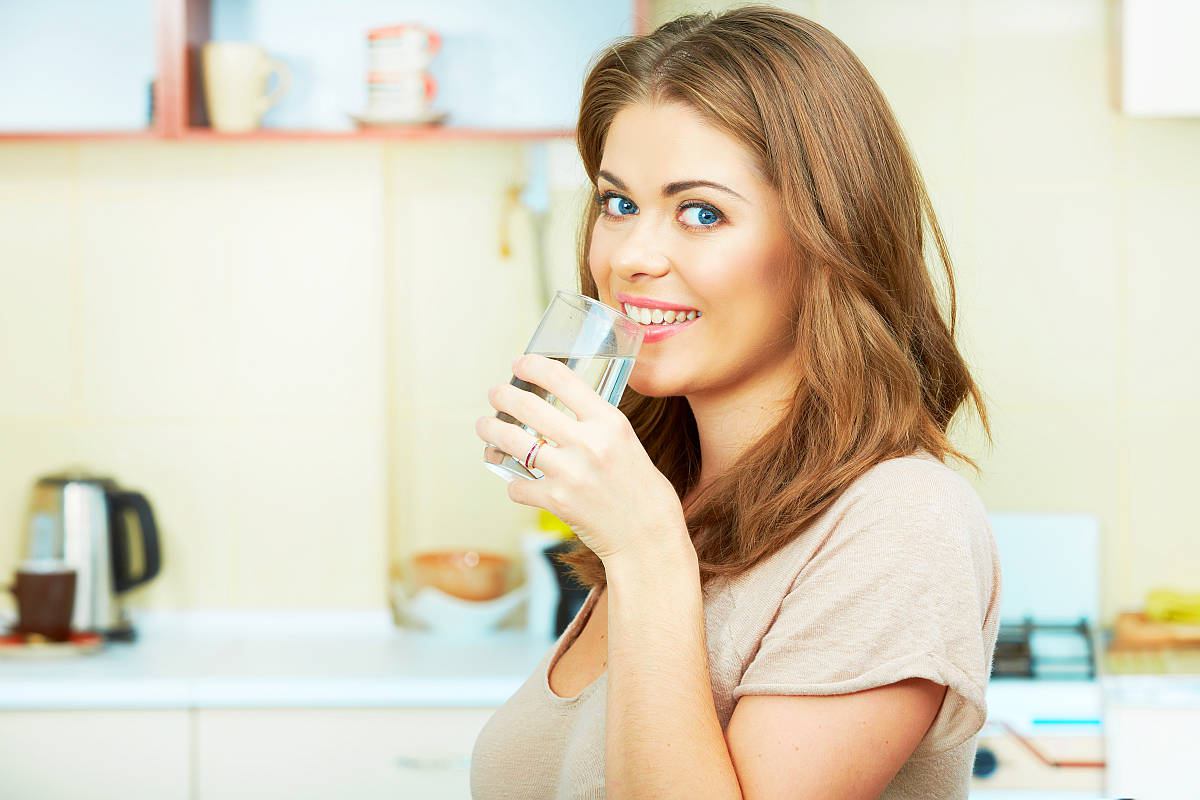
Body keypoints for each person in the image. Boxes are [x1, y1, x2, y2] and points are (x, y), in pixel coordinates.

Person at [471, 6, 1000, 799]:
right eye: (619, 204)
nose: (632, 258)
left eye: (701, 212)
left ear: (831, 241)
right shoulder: (678, 502)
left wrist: (648, 554)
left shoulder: (900, 522)